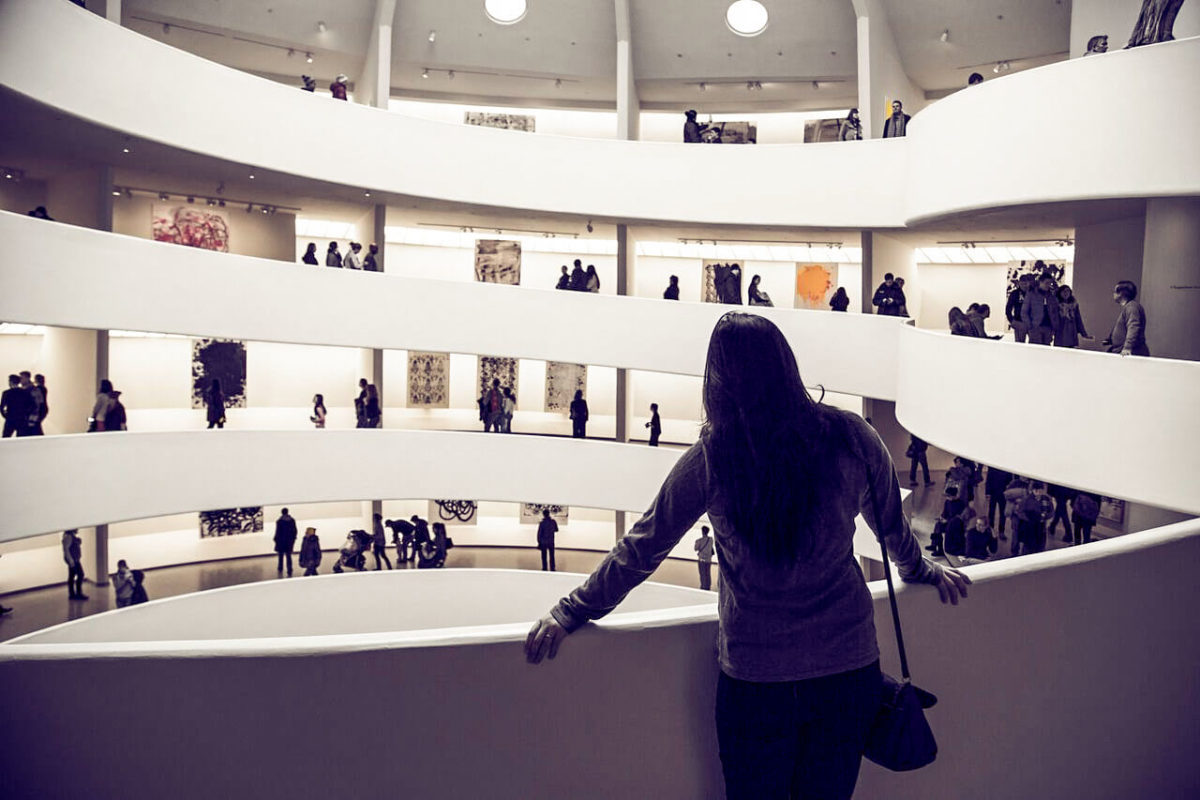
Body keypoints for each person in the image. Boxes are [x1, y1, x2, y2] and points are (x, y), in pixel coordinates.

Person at [524, 312, 969, 800]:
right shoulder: (851, 437)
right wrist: (921, 570)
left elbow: (645, 545)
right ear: (786, 364)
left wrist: (572, 611)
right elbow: (892, 531)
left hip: (758, 680)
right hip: (848, 672)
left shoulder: (716, 457)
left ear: (719, 382)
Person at [1103, 280, 1150, 356]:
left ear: (1121, 293)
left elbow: (1133, 327)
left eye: (1115, 291)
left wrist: (1127, 347)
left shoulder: (1132, 307)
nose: (1113, 294)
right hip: (1121, 351)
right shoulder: (1129, 307)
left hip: (1131, 353)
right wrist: (1110, 339)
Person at [1021, 272, 1061, 346]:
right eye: (1046, 283)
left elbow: (1055, 312)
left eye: (1050, 283)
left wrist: (1054, 327)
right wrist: (1030, 326)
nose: (1048, 285)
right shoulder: (1031, 294)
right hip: (1035, 327)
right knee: (1035, 350)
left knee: (1046, 350)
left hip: (1048, 327)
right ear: (1040, 282)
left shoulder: (1052, 296)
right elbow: (1024, 312)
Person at [984, 466, 1013, 540]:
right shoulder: (992, 466)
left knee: (1002, 513)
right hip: (993, 493)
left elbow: (1010, 482)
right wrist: (987, 493)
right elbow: (988, 480)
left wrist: (1008, 492)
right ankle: (991, 530)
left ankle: (1001, 532)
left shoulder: (1007, 468)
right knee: (991, 512)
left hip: (1003, 494)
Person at [1006, 274, 1033, 342]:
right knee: (1019, 344)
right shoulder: (1015, 293)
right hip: (1019, 322)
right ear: (1019, 283)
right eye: (1022, 283)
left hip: (1032, 322)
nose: (1024, 285)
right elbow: (1008, 308)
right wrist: (1012, 321)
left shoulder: (1033, 293)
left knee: (1034, 344)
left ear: (1029, 283)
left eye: (1026, 283)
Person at [62, 528, 87, 600]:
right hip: (73, 560)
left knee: (72, 576)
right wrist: (71, 561)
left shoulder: (70, 536)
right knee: (80, 575)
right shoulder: (68, 536)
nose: (78, 529)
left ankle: (72, 594)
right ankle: (78, 594)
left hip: (74, 559)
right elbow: (66, 550)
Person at [274, 508, 298, 576]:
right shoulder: (292, 520)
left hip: (281, 541)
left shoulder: (279, 521)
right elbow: (295, 531)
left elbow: (277, 532)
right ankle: (289, 569)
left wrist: (276, 539)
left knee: (280, 556)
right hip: (289, 541)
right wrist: (293, 539)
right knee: (288, 556)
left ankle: (280, 567)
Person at [694, 525, 714, 590]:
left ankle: (703, 587)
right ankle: (708, 586)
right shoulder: (711, 540)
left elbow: (695, 549)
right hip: (708, 559)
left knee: (702, 574)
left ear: (702, 531)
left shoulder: (699, 541)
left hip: (701, 559)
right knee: (708, 573)